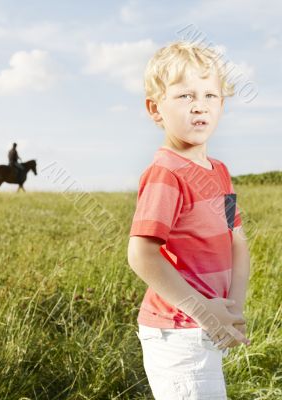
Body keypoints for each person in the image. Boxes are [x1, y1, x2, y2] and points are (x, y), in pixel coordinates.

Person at [127, 41, 251, 400]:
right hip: (178, 334)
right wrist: (204, 311)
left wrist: (232, 309)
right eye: (184, 96)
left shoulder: (221, 173)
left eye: (210, 95)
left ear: (222, 105)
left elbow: (236, 239)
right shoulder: (165, 173)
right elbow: (141, 255)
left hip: (210, 323)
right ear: (155, 109)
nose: (200, 105)